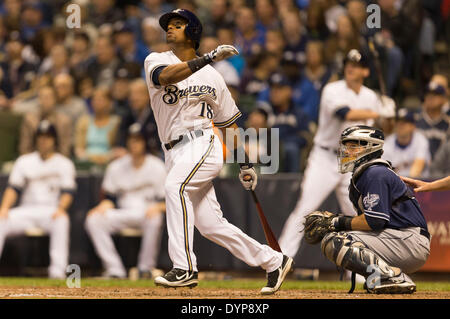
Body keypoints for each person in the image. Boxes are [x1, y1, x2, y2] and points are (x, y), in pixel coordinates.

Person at [144, 8, 292, 295]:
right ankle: (274, 260)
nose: (170, 29)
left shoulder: (214, 77)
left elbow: (228, 124)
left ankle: (185, 268)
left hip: (203, 143)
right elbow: (164, 77)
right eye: (169, 25)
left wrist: (245, 163)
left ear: (192, 32)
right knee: (211, 225)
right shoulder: (156, 59)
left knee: (175, 188)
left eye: (177, 24)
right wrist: (209, 57)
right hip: (173, 151)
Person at [278, 49, 396, 260]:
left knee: (356, 216)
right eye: (348, 63)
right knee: (305, 209)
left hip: (352, 162)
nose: (351, 67)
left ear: (366, 71)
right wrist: (379, 112)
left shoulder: (371, 96)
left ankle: (363, 266)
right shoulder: (332, 90)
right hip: (324, 158)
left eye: (357, 64)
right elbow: (346, 114)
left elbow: (387, 129)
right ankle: (280, 259)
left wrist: (389, 114)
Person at [304, 125, 430, 294]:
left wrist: (336, 222)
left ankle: (393, 277)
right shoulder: (369, 172)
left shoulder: (375, 173)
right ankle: (380, 278)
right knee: (338, 238)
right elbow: (373, 223)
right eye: (346, 146)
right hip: (399, 238)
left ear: (370, 147)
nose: (346, 151)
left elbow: (375, 221)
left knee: (336, 241)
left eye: (353, 146)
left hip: (408, 240)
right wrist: (337, 220)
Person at [85, 123, 166, 279]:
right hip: (123, 211)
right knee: (93, 219)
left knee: (155, 218)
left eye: (138, 140)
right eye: (131, 140)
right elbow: (110, 198)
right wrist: (103, 205)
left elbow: (167, 201)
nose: (134, 144)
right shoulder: (116, 166)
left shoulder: (157, 166)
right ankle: (114, 269)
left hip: (146, 212)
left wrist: (158, 207)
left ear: (145, 142)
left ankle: (145, 268)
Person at [0, 120, 76, 279]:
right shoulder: (24, 161)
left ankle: (57, 272)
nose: (43, 140)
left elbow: (68, 192)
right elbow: (13, 189)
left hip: (50, 211)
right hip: (26, 210)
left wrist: (61, 209)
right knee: (1, 219)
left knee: (62, 219)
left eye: (47, 137)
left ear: (54, 140)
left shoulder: (64, 163)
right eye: (40, 137)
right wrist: (4, 208)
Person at [74, 86, 120, 166]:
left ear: (110, 102)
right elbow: (78, 148)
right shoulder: (83, 122)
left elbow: (118, 150)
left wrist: (105, 158)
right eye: (94, 100)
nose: (97, 102)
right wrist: (92, 159)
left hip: (109, 162)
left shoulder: (116, 122)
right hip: (86, 162)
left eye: (101, 100)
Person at [382, 109, 430, 178]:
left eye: (404, 123)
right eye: (398, 122)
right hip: (396, 184)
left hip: (418, 183)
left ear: (413, 126)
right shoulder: (388, 142)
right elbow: (385, 171)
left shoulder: (421, 140)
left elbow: (417, 169)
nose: (400, 125)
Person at [415, 81, 450, 160]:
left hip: (442, 168)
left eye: (435, 95)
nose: (430, 98)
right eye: (428, 94)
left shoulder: (448, 124)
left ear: (444, 99)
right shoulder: (415, 121)